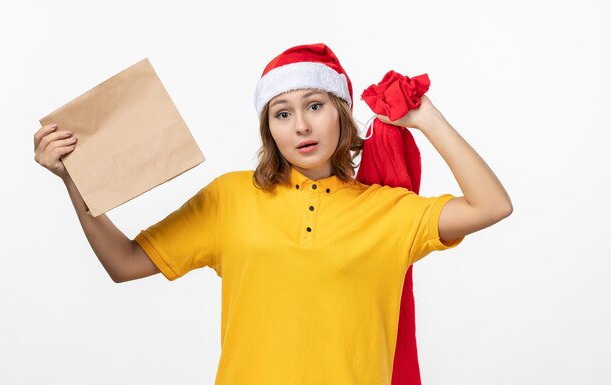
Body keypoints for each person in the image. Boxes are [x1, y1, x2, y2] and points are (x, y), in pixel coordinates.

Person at [33, 43, 513, 385]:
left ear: (341, 114)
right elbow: (124, 263)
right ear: (269, 130)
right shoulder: (231, 198)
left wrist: (424, 117)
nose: (301, 124)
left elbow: (492, 205)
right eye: (282, 113)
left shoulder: (388, 210)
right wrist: (73, 181)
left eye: (315, 105)